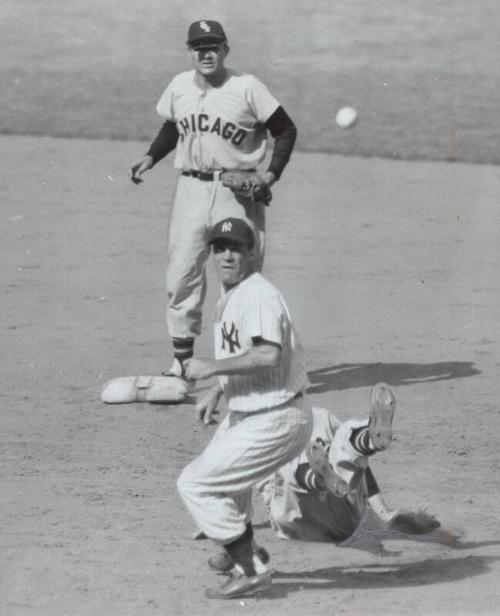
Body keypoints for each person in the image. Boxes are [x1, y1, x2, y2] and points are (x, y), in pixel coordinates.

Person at [128, 20, 297, 377]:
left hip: (234, 195)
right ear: (189, 52)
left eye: (213, 46)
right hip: (189, 190)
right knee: (181, 275)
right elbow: (174, 125)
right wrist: (150, 157)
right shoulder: (178, 86)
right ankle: (182, 363)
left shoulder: (247, 87)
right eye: (198, 47)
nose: (206, 53)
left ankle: (240, 364)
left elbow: (285, 129)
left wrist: (268, 175)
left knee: (237, 275)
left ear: (225, 50)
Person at [176, 217, 316, 599]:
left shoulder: (257, 295)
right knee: (226, 482)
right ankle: (244, 549)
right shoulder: (234, 295)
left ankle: (251, 569)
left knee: (196, 484)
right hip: (256, 411)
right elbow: (246, 354)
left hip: (278, 416)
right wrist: (219, 390)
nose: (226, 256)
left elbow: (268, 354)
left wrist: (212, 369)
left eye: (235, 248)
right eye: (219, 248)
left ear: (252, 253)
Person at [256, 384, 440, 544]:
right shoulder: (258, 433)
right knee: (295, 457)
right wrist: (384, 514)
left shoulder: (320, 417)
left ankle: (370, 439)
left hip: (311, 520)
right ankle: (324, 476)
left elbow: (360, 465)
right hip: (305, 522)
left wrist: (385, 513)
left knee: (343, 434)